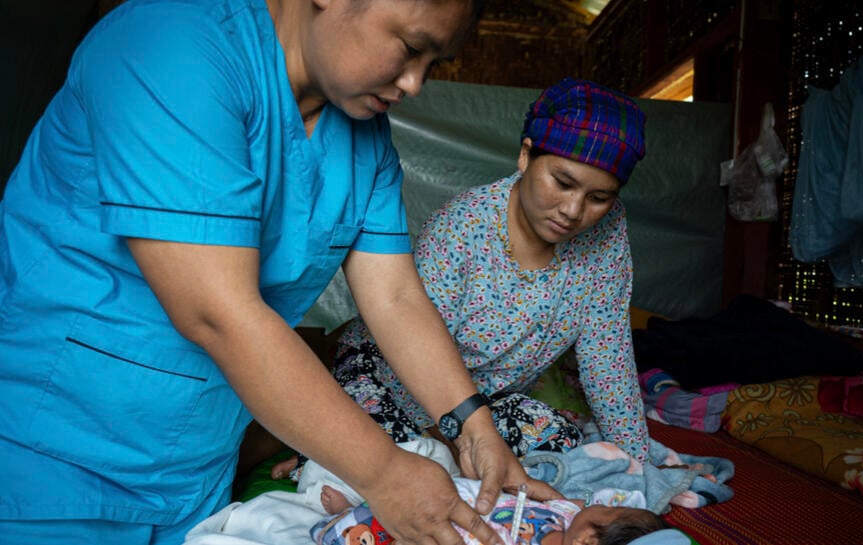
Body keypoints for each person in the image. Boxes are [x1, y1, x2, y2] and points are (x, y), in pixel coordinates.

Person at [0, 0, 558, 544]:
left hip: (194, 469)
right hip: (53, 455)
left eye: (434, 64)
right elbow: (217, 312)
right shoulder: (169, 43)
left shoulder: (367, 141)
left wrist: (476, 431)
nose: (415, 83)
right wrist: (385, 474)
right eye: (411, 47)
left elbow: (394, 299)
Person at [274, 77, 652, 483]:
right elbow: (412, 350)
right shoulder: (464, 228)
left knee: (564, 441)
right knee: (410, 461)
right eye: (562, 182)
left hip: (488, 405)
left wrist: (638, 464)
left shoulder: (607, 233)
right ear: (526, 156)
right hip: (393, 382)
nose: (573, 210)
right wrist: (457, 444)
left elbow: (607, 355)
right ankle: (320, 456)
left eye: (599, 198)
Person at [309, 476, 672, 545]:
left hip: (439, 538)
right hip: (451, 506)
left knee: (369, 533)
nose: (597, 505)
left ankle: (343, 519)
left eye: (602, 511)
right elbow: (564, 501)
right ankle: (356, 504)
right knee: (405, 498)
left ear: (587, 540)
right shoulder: (564, 516)